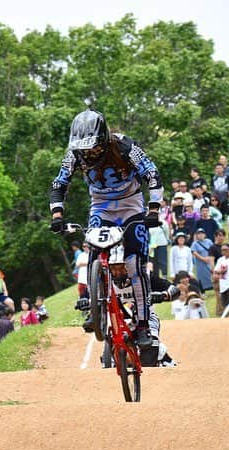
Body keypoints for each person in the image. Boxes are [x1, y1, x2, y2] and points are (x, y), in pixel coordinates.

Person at [49, 109, 164, 346]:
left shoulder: (123, 146)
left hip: (131, 206)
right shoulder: (74, 155)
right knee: (94, 248)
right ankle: (94, 306)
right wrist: (57, 215)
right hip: (100, 207)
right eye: (83, 148)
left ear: (102, 139)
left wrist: (153, 210)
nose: (88, 153)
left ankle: (143, 325)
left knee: (135, 265)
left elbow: (152, 174)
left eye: (92, 147)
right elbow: (59, 183)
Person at [190, 228, 214, 292]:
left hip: (209, 261)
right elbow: (194, 252)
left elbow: (213, 249)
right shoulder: (195, 243)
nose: (200, 235)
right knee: (201, 276)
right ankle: (202, 290)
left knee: (211, 274)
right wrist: (203, 259)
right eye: (199, 234)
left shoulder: (209, 241)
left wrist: (209, 257)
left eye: (202, 233)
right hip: (200, 263)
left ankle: (213, 287)